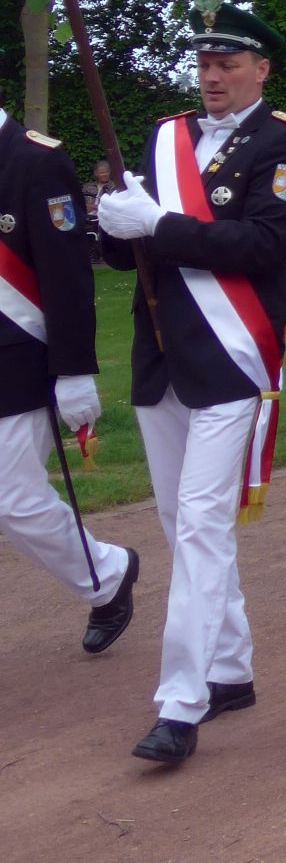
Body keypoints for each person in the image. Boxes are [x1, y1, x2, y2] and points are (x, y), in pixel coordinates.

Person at [96, 0, 286, 767]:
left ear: (262, 69)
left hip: (231, 359)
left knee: (198, 526)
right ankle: (230, 669)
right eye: (205, 64)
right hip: (161, 357)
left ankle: (181, 702)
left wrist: (158, 225)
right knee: (178, 520)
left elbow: (262, 244)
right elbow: (132, 252)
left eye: (228, 64)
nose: (213, 76)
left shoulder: (285, 143)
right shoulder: (167, 137)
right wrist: (116, 223)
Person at [0, 106, 140, 654]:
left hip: (16, 359)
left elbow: (66, 272)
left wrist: (74, 369)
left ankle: (106, 573)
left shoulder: (35, 161)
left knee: (15, 500)